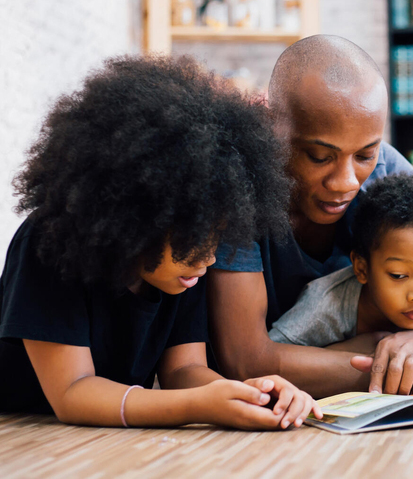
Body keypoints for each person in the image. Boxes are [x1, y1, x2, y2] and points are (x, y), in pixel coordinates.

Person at [0, 55, 322, 429]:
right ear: (137, 214)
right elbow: (73, 392)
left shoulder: (182, 268)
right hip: (21, 432)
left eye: (217, 234)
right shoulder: (50, 243)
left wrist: (250, 395)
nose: (208, 256)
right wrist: (197, 406)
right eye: (197, 234)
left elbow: (184, 370)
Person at [207, 35, 413, 397]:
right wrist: (401, 367)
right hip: (283, 370)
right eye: (319, 156)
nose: (345, 182)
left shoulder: (387, 170)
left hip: (316, 369)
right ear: (273, 128)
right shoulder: (239, 190)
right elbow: (245, 360)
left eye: (364, 155)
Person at [269, 174, 413, 394]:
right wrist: (363, 347)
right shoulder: (324, 304)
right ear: (362, 269)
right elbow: (270, 356)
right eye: (398, 275)